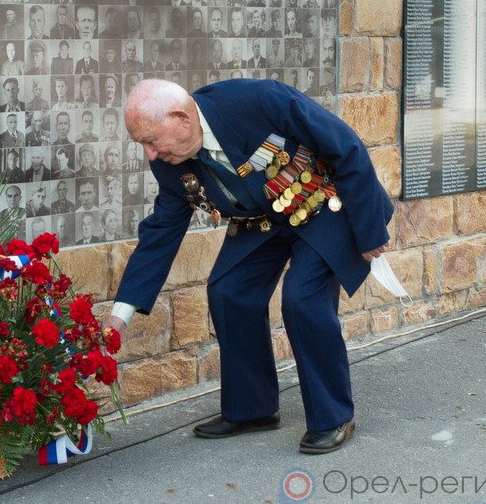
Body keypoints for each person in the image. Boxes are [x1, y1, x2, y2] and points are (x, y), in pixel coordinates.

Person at [103, 79, 393, 454]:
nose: (150, 155)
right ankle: (252, 408)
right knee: (229, 290)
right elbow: (162, 230)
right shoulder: (170, 161)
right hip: (264, 218)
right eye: (141, 144)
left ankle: (333, 416)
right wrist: (119, 316)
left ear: (181, 118)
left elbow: (345, 146)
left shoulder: (257, 101)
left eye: (151, 141)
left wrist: (370, 231)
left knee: (302, 297)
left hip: (322, 202)